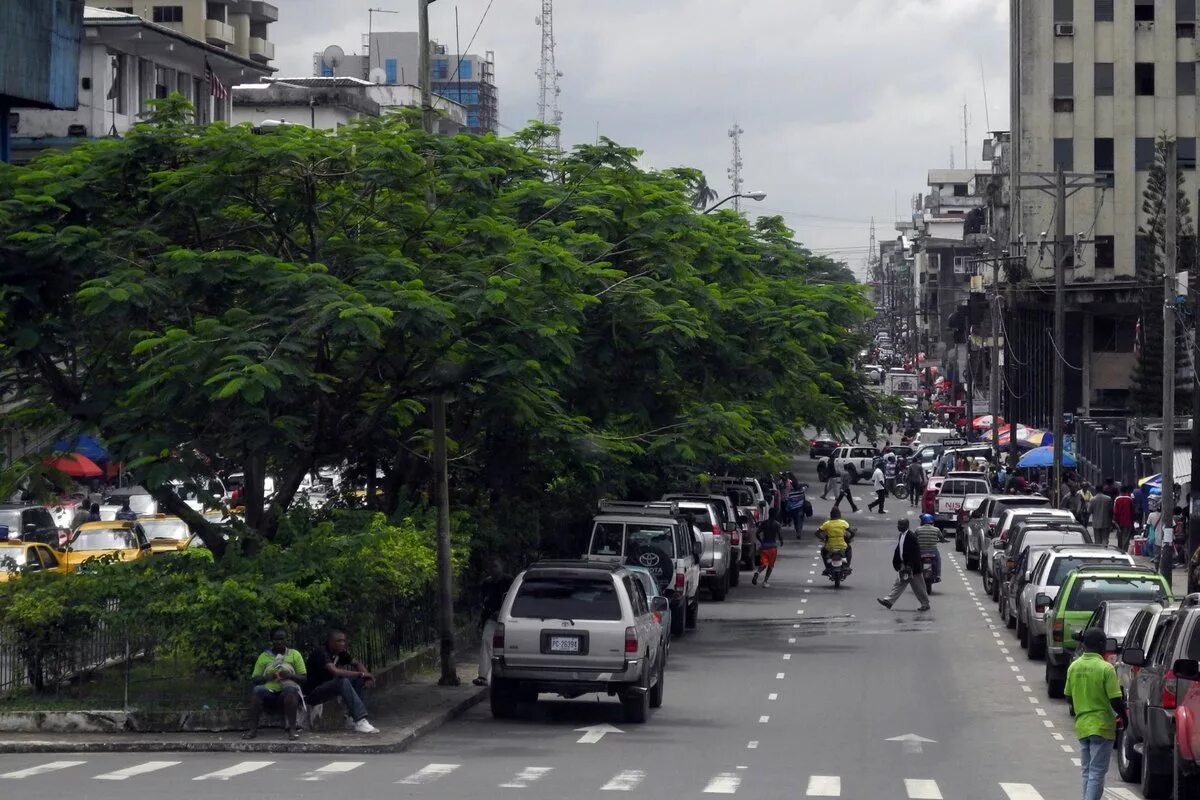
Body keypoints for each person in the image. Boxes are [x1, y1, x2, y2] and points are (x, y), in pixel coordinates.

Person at [1065, 627, 1124, 800]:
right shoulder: (1106, 669)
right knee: (1097, 772)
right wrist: (1124, 717)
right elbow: (1115, 699)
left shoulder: (1073, 667)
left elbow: (1068, 697)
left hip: (1082, 726)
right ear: (1101, 645)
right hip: (1103, 726)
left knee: (1087, 771)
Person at [304, 630, 379, 734]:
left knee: (359, 681)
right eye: (338, 641)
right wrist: (361, 674)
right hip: (314, 693)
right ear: (330, 642)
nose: (342, 643)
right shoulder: (321, 653)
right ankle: (360, 720)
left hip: (330, 688)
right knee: (342, 681)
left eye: (344, 641)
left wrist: (366, 676)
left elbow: (357, 663)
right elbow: (335, 671)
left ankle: (353, 719)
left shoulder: (340, 653)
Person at [244, 626, 306, 740]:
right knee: (257, 691)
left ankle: (292, 730)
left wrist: (290, 675)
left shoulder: (294, 654)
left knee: (290, 690)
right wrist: (267, 677)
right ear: (271, 640)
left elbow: (304, 678)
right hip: (270, 692)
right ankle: (252, 730)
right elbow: (255, 679)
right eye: (276, 639)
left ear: (287, 639)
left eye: (282, 639)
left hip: (288, 692)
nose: (279, 642)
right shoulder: (264, 656)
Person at [474, 558, 513, 686]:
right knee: (486, 641)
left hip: (508, 619)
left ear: (502, 567)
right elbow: (484, 601)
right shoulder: (487, 583)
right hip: (491, 618)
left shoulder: (508, 581)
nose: (493, 569)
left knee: (508, 646)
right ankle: (483, 676)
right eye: (491, 567)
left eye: (495, 566)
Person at [877, 519, 930, 611]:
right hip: (904, 564)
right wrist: (897, 562)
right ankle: (888, 601)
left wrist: (910, 566)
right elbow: (899, 549)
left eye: (900, 525)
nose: (898, 526)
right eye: (898, 524)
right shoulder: (901, 535)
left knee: (919, 586)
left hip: (912, 567)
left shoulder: (911, 536)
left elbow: (914, 552)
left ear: (906, 526)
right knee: (899, 583)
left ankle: (925, 604)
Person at [752, 508, 783, 587]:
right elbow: (779, 535)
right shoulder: (777, 524)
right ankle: (765, 581)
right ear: (775, 514)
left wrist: (761, 541)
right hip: (772, 547)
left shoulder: (764, 523)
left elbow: (757, 534)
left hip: (764, 546)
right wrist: (781, 541)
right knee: (770, 565)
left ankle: (757, 572)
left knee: (763, 563)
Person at [817, 506, 853, 574]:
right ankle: (847, 566)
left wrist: (823, 538)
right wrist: (849, 538)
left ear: (831, 515)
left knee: (823, 550)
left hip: (830, 546)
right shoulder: (843, 523)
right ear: (839, 514)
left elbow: (817, 533)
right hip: (842, 546)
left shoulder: (827, 524)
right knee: (849, 548)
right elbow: (852, 533)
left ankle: (827, 567)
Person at [914, 512, 945, 583]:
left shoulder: (918, 529)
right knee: (938, 560)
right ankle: (938, 576)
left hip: (921, 552)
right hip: (933, 552)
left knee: (915, 562)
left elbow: (914, 539)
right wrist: (943, 540)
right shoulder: (936, 529)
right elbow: (941, 538)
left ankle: (915, 575)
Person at [1112, 486, 1135, 553]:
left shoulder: (1117, 499)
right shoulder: (1130, 499)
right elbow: (1132, 511)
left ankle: (1119, 549)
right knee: (1126, 537)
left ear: (1120, 491)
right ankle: (1124, 551)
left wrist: (1115, 521)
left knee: (1120, 536)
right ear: (1127, 491)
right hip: (1128, 522)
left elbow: (1115, 511)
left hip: (1119, 522)